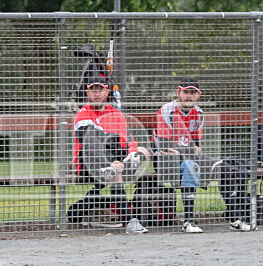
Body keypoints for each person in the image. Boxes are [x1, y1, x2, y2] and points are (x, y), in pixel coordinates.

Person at [68, 77, 150, 234]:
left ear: (107, 92)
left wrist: (132, 151)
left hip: (114, 162)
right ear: (88, 92)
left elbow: (127, 140)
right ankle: (130, 222)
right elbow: (89, 138)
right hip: (88, 163)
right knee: (94, 140)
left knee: (142, 151)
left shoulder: (116, 114)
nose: (97, 94)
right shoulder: (82, 113)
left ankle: (117, 168)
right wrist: (114, 158)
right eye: (93, 90)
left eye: (100, 90)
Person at [152, 79, 206, 233]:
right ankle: (189, 221)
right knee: (189, 165)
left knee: (221, 166)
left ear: (198, 95)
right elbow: (164, 147)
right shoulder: (167, 110)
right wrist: (186, 152)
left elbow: (196, 146)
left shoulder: (199, 113)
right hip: (163, 160)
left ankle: (236, 217)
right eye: (186, 92)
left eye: (193, 93)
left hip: (185, 158)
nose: (189, 96)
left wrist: (186, 152)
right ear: (179, 92)